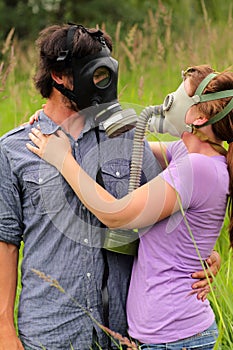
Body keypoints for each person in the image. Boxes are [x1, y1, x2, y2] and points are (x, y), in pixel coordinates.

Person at [0, 21, 218, 349]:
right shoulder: (13, 150)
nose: (104, 84)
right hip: (51, 336)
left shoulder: (128, 138)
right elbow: (5, 245)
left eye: (107, 73)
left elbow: (172, 205)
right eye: (95, 74)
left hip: (124, 337)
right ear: (59, 76)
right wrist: (5, 332)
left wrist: (202, 253)